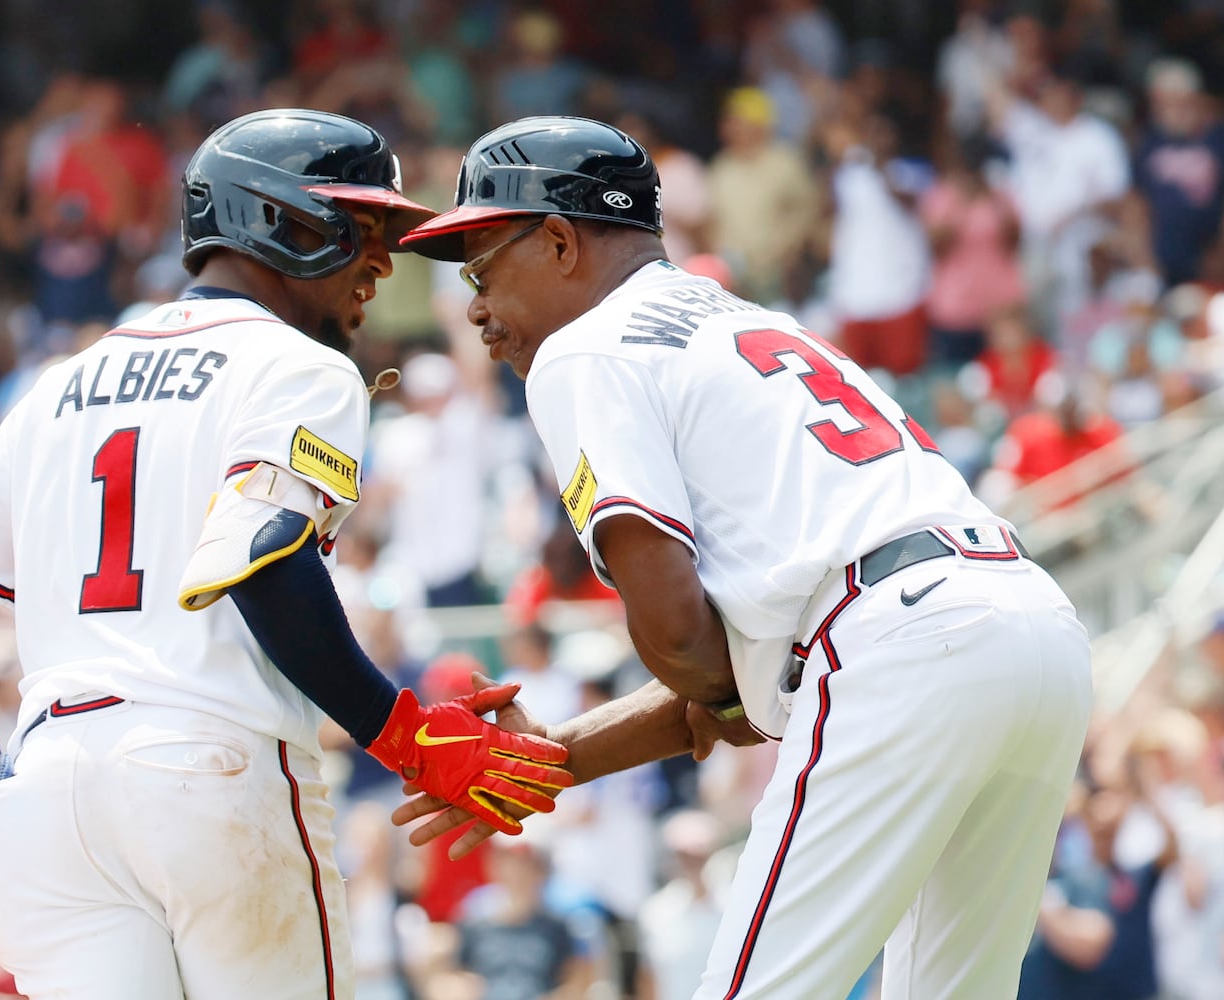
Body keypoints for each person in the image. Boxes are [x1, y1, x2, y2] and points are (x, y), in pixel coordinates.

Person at [397, 115, 1093, 999]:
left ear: (563, 242)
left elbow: (688, 646)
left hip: (895, 639)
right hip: (1026, 620)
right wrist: (564, 754)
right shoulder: (752, 321)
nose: (475, 307)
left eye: (484, 266)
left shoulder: (581, 351)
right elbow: (730, 678)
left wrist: (722, 698)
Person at [0, 108, 571, 1000]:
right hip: (208, 770)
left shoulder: (61, 381)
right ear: (280, 220)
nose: (381, 261)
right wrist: (401, 733)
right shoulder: (299, 365)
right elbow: (261, 556)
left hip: (45, 799)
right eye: (363, 228)